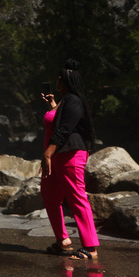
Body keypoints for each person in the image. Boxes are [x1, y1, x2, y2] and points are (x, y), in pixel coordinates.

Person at [40, 58, 99, 260]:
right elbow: (60, 123)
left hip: (71, 155)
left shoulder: (74, 100)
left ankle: (90, 248)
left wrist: (47, 153)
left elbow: (65, 130)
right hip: (58, 155)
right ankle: (63, 240)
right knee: (48, 194)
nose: (57, 79)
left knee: (77, 198)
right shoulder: (65, 101)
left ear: (66, 80)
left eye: (60, 77)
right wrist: (53, 105)